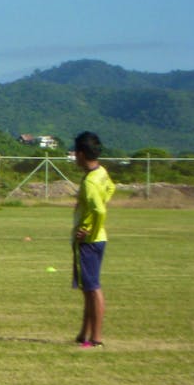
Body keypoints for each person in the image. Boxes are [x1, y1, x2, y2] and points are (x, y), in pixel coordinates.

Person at [72, 131, 115, 348]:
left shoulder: (89, 181)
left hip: (90, 241)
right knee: (88, 288)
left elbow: (98, 210)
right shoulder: (101, 172)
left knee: (92, 288)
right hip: (100, 239)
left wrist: (88, 229)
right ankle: (84, 333)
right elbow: (111, 188)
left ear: (81, 153)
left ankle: (95, 338)